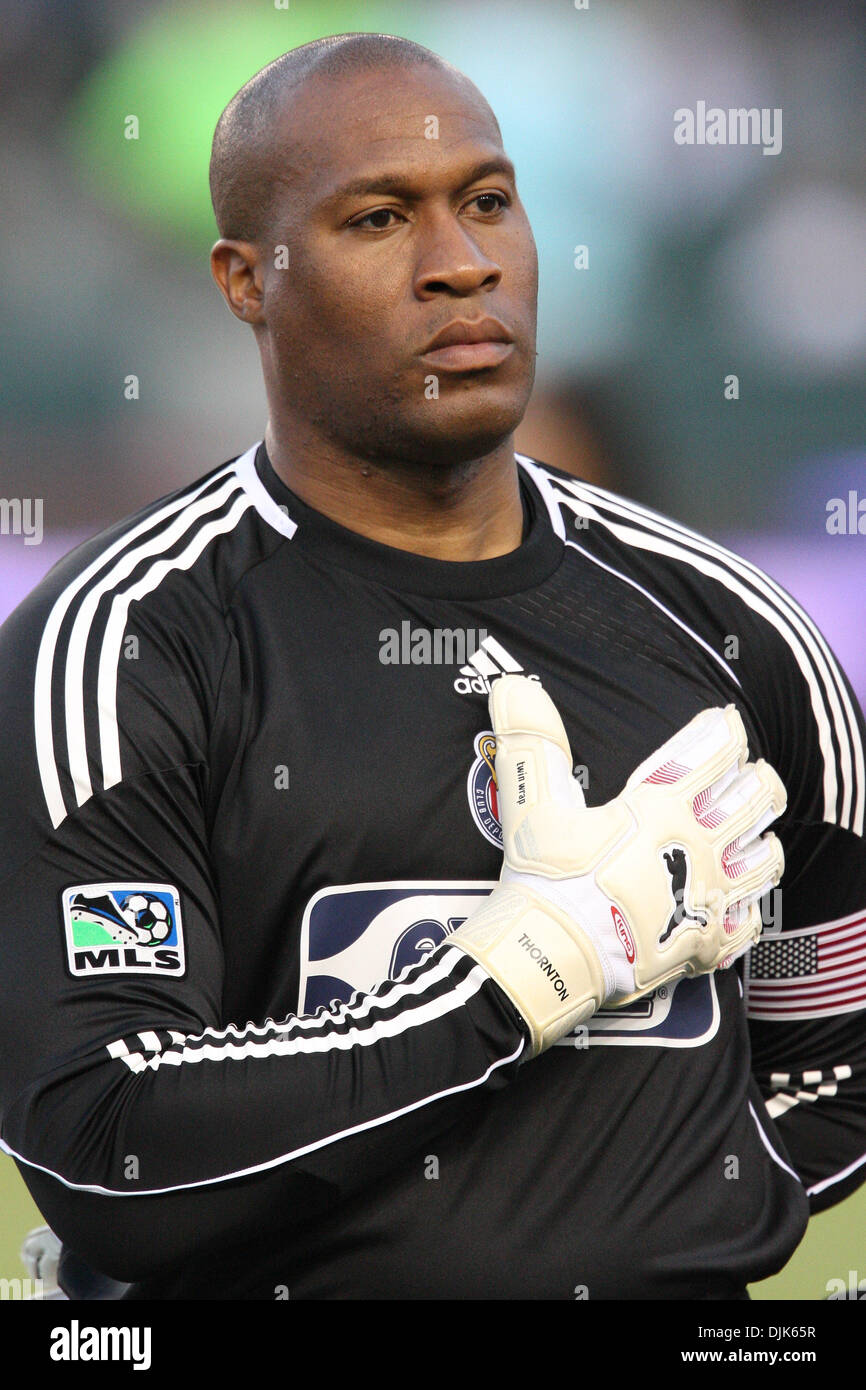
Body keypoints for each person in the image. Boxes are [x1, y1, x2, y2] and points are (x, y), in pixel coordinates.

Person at [1, 33, 864, 1302]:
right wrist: (525, 973)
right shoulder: (127, 643)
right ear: (248, 280)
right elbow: (103, 1131)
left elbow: (828, 1062)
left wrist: (647, 1228)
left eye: (485, 203)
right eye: (377, 218)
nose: (460, 265)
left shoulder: (734, 625)